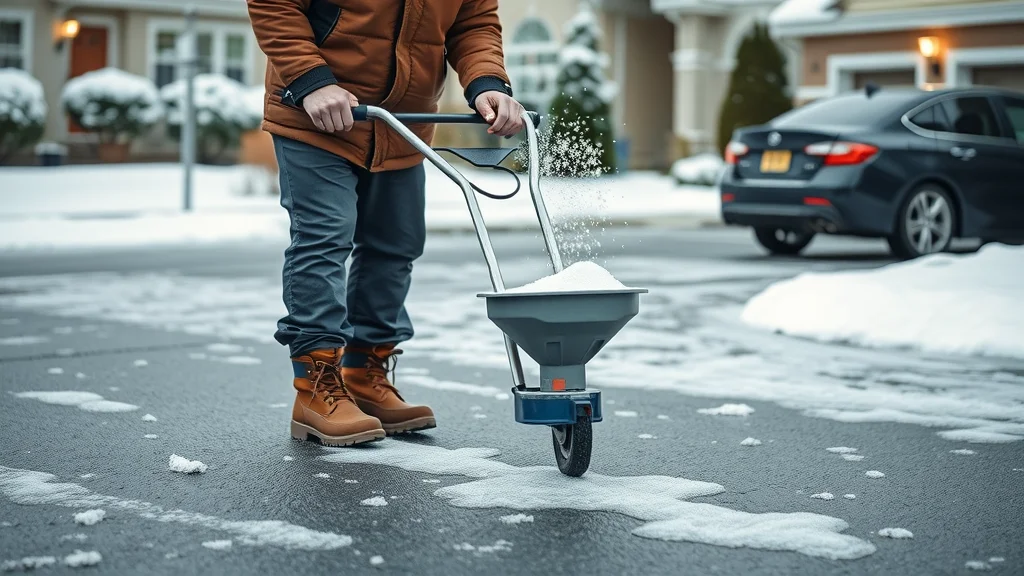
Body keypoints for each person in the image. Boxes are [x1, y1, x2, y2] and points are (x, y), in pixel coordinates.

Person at [245, 0, 526, 447]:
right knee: (325, 236)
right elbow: (276, 5)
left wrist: (485, 82)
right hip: (316, 114)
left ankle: (362, 373)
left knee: (397, 244)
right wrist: (311, 80)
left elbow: (472, 23)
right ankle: (315, 388)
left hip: (401, 122)